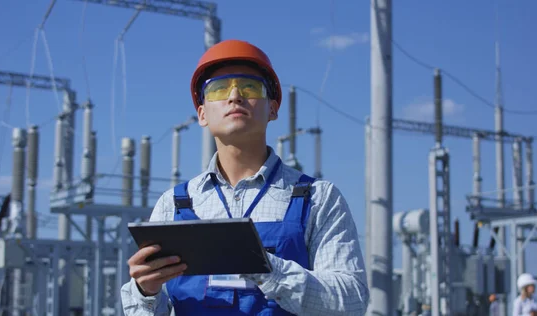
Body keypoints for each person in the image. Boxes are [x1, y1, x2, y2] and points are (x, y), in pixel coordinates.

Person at [120, 39, 369, 315]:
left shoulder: (318, 198)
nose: (234, 95)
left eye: (249, 86)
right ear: (202, 114)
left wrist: (267, 269)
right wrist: (146, 293)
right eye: (218, 89)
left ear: (273, 109)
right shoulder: (175, 204)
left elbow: (352, 302)